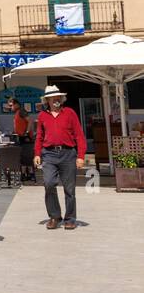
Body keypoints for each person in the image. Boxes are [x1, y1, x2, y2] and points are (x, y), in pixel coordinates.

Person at [34, 85, 86, 230]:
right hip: (49, 154)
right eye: (53, 98)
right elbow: (39, 136)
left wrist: (81, 156)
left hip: (68, 154)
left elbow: (79, 135)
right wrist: (37, 153)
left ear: (61, 99)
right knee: (49, 184)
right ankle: (54, 216)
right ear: (47, 100)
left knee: (69, 189)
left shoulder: (69, 113)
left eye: (58, 97)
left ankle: (70, 218)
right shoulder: (42, 115)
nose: (56, 100)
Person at [8, 97, 35, 181]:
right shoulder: (17, 113)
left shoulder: (21, 111)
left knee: (27, 157)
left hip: (26, 138)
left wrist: (26, 132)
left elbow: (30, 121)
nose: (10, 107)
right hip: (20, 137)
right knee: (23, 157)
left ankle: (30, 174)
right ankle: (24, 174)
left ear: (16, 104)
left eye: (11, 105)